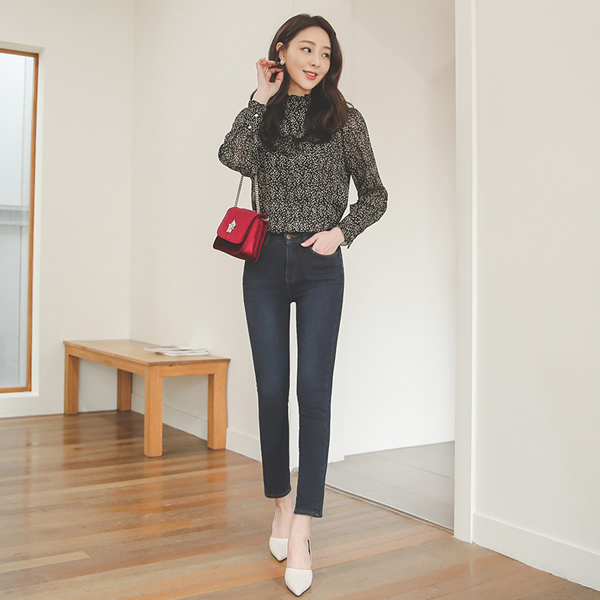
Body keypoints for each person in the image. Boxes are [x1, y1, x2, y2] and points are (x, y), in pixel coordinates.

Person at [218, 13, 387, 596]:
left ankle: (304, 528)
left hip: (320, 269)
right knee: (271, 390)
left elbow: (376, 194)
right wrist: (258, 98)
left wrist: (342, 232)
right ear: (282, 50)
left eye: (326, 53)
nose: (316, 61)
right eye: (306, 49)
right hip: (263, 263)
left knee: (313, 394)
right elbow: (232, 157)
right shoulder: (263, 113)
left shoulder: (345, 118)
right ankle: (281, 503)